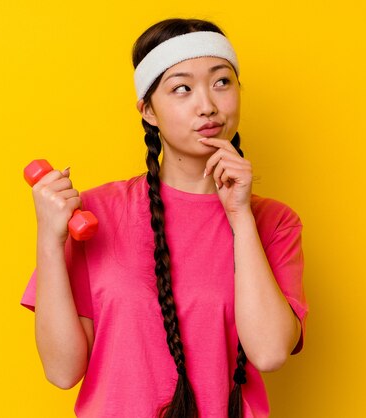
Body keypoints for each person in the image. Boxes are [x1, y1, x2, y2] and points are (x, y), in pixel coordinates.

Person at [20, 18, 308, 418]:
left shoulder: (274, 222)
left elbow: (270, 352)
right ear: (148, 111)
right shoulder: (96, 213)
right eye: (182, 88)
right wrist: (49, 241)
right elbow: (62, 370)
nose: (207, 104)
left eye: (222, 82)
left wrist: (240, 216)